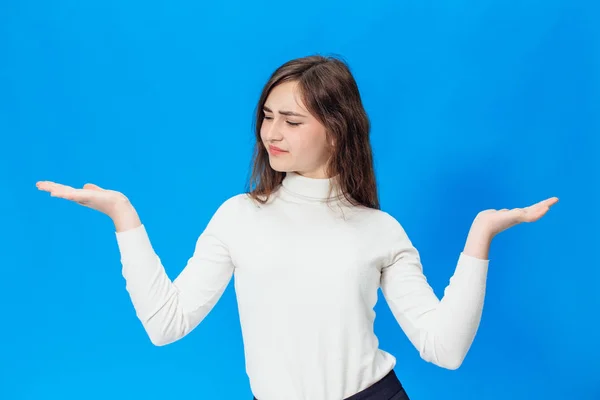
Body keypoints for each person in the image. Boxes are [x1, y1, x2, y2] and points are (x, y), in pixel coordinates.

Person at [36, 54, 558, 400]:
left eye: (292, 120)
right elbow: (166, 323)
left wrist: (479, 239)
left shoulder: (380, 230)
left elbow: (444, 349)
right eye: (267, 116)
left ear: (337, 128)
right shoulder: (238, 216)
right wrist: (124, 218)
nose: (271, 133)